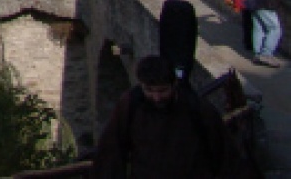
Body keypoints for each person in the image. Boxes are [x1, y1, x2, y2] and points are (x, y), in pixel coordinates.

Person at [91, 54, 245, 178]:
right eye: (149, 90)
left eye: (162, 91)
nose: (156, 97)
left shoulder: (197, 109)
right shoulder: (131, 105)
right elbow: (111, 152)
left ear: (174, 85)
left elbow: (224, 155)